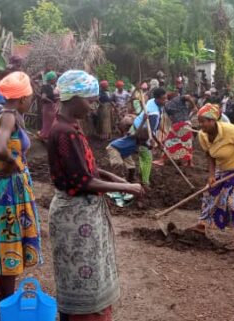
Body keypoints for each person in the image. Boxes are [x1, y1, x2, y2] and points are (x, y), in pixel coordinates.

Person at [47, 70, 145, 321]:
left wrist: (115, 178)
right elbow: (83, 180)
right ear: (73, 97)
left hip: (82, 213)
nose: (93, 105)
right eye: (89, 100)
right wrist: (128, 188)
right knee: (82, 275)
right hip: (75, 215)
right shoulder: (65, 132)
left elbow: (86, 167)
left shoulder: (70, 126)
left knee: (90, 272)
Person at [0, 71, 43, 299]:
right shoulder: (8, 116)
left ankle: (7, 294)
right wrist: (14, 163)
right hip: (8, 189)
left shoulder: (7, 114)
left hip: (9, 186)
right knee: (8, 237)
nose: (30, 102)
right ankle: (7, 299)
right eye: (30, 98)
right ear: (22, 99)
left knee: (9, 236)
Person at [190, 103, 234, 251]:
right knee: (209, 193)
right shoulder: (202, 135)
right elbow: (210, 156)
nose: (200, 125)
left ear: (212, 120)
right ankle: (202, 225)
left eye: (203, 121)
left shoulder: (229, 130)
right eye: (199, 121)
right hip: (222, 169)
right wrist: (212, 175)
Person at [107, 88, 167, 188]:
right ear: (156, 98)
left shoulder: (151, 101)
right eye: (163, 99)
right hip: (139, 134)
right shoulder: (154, 116)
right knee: (147, 157)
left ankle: (135, 176)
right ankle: (145, 182)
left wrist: (158, 142)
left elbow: (149, 132)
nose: (165, 101)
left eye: (166, 98)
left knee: (140, 156)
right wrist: (150, 144)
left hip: (136, 129)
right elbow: (147, 135)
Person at [156, 93, 198, 167]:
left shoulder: (169, 104)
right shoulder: (175, 102)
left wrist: (194, 107)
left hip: (179, 124)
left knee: (169, 142)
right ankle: (189, 162)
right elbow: (188, 97)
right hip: (187, 123)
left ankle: (162, 160)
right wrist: (194, 107)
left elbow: (187, 96)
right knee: (187, 143)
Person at [37, 70, 59, 142]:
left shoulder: (49, 87)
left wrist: (56, 98)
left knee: (49, 123)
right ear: (51, 79)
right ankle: (45, 136)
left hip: (49, 107)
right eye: (55, 78)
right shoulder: (46, 87)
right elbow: (43, 97)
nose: (55, 80)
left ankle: (45, 136)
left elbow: (49, 96)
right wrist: (52, 101)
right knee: (49, 123)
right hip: (48, 107)